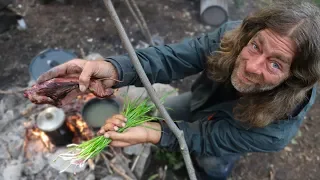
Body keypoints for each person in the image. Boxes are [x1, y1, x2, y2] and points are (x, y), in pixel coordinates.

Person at [36, 1, 320, 179]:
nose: (251, 66)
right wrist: (114, 70)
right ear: (250, 34)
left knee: (212, 158)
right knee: (173, 110)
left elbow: (208, 137)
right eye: (256, 46)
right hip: (201, 101)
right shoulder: (232, 38)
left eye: (274, 65)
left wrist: (153, 135)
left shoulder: (274, 132)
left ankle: (210, 173)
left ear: (292, 78)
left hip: (233, 133)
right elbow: (172, 58)